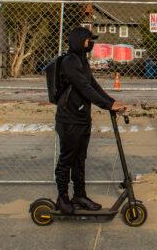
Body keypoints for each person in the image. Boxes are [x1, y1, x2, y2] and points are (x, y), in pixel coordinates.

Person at [54, 26, 126, 214]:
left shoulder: (82, 61)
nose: (91, 43)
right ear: (79, 41)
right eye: (88, 40)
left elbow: (94, 85)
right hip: (69, 119)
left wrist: (112, 101)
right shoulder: (69, 62)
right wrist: (107, 105)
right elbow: (84, 88)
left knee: (80, 159)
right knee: (67, 159)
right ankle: (62, 198)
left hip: (82, 117)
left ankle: (79, 195)